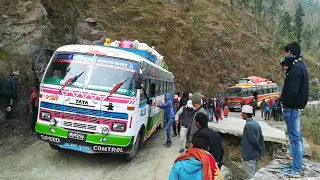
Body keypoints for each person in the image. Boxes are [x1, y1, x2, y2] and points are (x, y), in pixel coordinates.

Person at [278, 42, 309, 178]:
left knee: (295, 139)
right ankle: (295, 165)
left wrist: (285, 103)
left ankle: (296, 169)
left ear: (289, 52)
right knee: (295, 138)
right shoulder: (299, 66)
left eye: (285, 52)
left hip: (292, 108)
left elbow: (292, 90)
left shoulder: (295, 68)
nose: (284, 55)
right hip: (294, 107)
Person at [241, 105, 265, 179]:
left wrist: (260, 150)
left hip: (249, 155)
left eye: (242, 113)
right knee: (255, 175)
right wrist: (262, 152)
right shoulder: (256, 123)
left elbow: (253, 141)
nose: (241, 115)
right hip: (255, 155)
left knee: (250, 176)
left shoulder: (248, 125)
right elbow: (261, 138)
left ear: (245, 114)